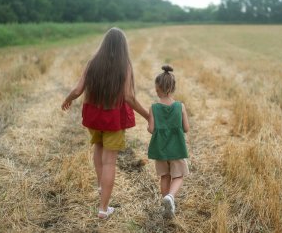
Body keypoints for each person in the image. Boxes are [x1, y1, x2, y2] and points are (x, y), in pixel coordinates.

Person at [61, 28, 149, 219]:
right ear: (122, 46)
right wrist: (148, 115)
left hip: (94, 116)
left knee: (98, 148)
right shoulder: (124, 64)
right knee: (109, 161)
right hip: (113, 119)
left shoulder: (93, 62)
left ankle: (102, 186)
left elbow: (77, 89)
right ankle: (103, 208)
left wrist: (67, 99)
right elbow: (128, 96)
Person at [147, 65, 190, 219]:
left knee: (165, 176)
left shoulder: (154, 108)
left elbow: (151, 129)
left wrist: (157, 126)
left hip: (160, 150)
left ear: (158, 88)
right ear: (172, 88)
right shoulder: (180, 106)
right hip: (177, 148)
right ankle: (171, 197)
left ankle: (167, 206)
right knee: (178, 176)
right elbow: (186, 128)